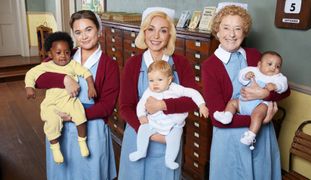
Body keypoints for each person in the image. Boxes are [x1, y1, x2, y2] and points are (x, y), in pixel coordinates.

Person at [201, 5, 290, 180]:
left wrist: (266, 95)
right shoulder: (210, 66)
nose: (231, 34)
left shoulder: (255, 55)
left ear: (245, 32)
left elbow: (285, 90)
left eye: (238, 28)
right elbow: (217, 119)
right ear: (217, 31)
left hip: (262, 138)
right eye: (226, 27)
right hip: (231, 139)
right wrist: (260, 120)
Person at [35, 10, 119, 180]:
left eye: (89, 29)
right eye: (78, 32)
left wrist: (73, 116)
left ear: (99, 31)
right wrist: (64, 78)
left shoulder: (108, 65)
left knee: (90, 173)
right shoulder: (65, 54)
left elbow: (107, 106)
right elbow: (38, 79)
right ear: (73, 34)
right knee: (63, 173)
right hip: (60, 127)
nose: (84, 36)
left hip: (91, 127)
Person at [118, 7, 199, 180]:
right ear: (144, 32)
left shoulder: (181, 63)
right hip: (138, 134)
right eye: (151, 29)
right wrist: (148, 131)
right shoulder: (133, 64)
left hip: (169, 139)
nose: (156, 36)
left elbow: (192, 100)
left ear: (170, 35)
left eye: (163, 31)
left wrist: (163, 105)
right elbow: (125, 107)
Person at [25, 31, 96, 164]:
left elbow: (86, 73)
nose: (63, 56)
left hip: (69, 100)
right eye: (58, 53)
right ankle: (55, 147)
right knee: (51, 122)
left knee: (80, 116)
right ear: (50, 54)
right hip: (52, 103)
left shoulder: (73, 65)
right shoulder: (45, 66)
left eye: (67, 52)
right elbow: (31, 74)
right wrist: (29, 87)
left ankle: (82, 141)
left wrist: (91, 87)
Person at [130, 60, 208, 170]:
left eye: (159, 80)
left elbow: (193, 93)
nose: (155, 84)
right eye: (151, 80)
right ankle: (141, 151)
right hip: (155, 123)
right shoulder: (149, 91)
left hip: (173, 125)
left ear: (169, 80)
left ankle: (169, 160)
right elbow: (141, 104)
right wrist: (141, 116)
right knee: (143, 130)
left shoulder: (175, 89)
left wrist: (202, 105)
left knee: (174, 139)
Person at [213, 51, 288, 149]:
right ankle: (227, 116)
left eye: (277, 66)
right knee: (232, 103)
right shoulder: (253, 70)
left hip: (260, 105)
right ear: (259, 64)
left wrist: (275, 86)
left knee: (258, 114)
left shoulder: (277, 77)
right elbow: (241, 75)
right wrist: (246, 76)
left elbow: (285, 87)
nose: (274, 68)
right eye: (270, 64)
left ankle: (251, 135)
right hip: (243, 102)